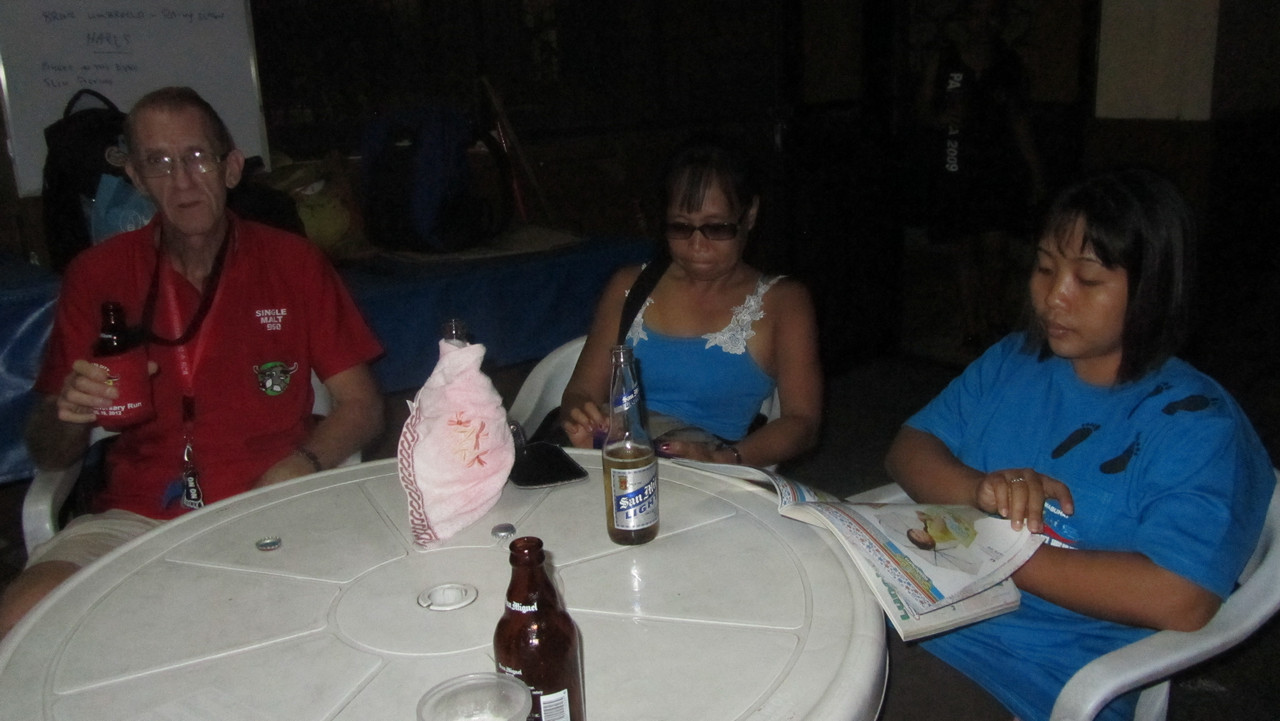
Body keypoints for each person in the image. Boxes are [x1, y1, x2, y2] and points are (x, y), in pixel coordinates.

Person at [883, 167, 1274, 721]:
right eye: (1045, 268)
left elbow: (1182, 597)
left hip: (1024, 675)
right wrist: (979, 490)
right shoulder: (1014, 360)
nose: (1053, 298)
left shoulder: (1196, 424)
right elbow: (909, 447)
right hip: (915, 614)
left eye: (1087, 280)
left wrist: (1000, 550)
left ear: (1154, 288)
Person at [0, 86, 384, 639]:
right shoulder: (97, 274)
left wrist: (304, 461)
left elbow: (362, 406)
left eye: (197, 157)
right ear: (135, 177)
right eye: (158, 162)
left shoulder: (293, 262)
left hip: (269, 500)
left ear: (231, 168)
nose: (181, 181)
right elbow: (49, 451)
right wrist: (69, 411)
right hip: (139, 516)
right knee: (21, 614)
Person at [559, 134, 822, 468]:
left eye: (717, 228)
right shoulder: (629, 285)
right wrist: (584, 421)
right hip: (617, 454)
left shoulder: (783, 302)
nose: (698, 245)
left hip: (708, 468)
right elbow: (580, 392)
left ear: (750, 215)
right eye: (681, 227)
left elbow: (803, 423)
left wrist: (723, 459)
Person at [916, 0, 1045, 353]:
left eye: (992, 15)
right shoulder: (945, 60)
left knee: (995, 249)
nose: (984, 23)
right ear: (965, 18)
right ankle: (971, 326)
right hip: (955, 165)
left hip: (997, 168)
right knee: (964, 250)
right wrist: (939, 118)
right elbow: (922, 108)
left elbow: (1020, 122)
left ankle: (993, 318)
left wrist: (1036, 174)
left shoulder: (1009, 64)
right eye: (976, 14)